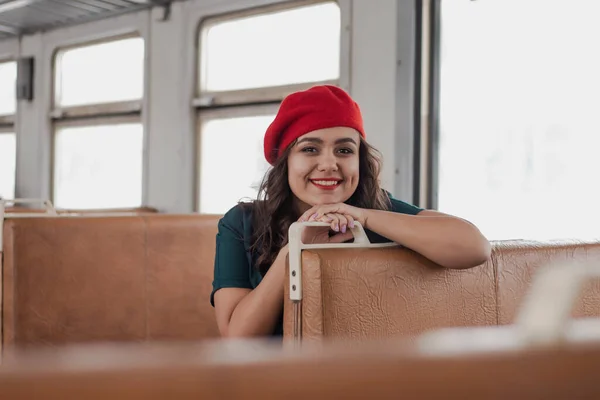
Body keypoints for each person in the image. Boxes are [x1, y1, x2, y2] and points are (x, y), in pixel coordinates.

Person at [211, 85, 491, 338]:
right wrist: (293, 252)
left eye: (344, 150)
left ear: (360, 161)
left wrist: (364, 216)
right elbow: (237, 339)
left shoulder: (378, 211)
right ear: (286, 162)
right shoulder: (242, 223)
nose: (329, 164)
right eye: (310, 149)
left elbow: (474, 247)